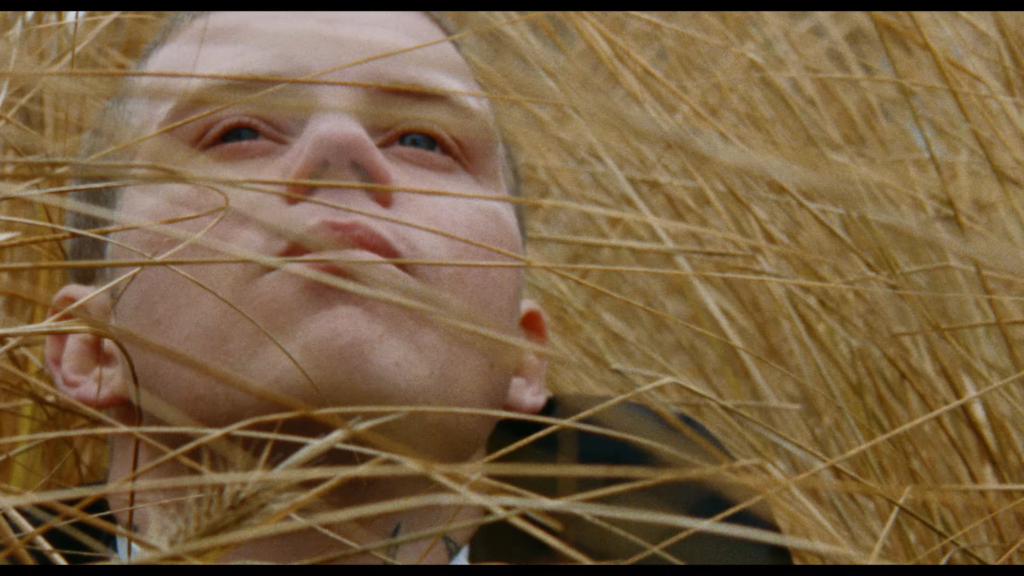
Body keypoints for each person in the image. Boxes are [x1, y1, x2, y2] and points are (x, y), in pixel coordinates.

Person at [17, 12, 791, 564]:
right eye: (239, 133)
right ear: (89, 348)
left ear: (524, 359)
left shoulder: (707, 543)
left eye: (422, 141)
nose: (340, 149)